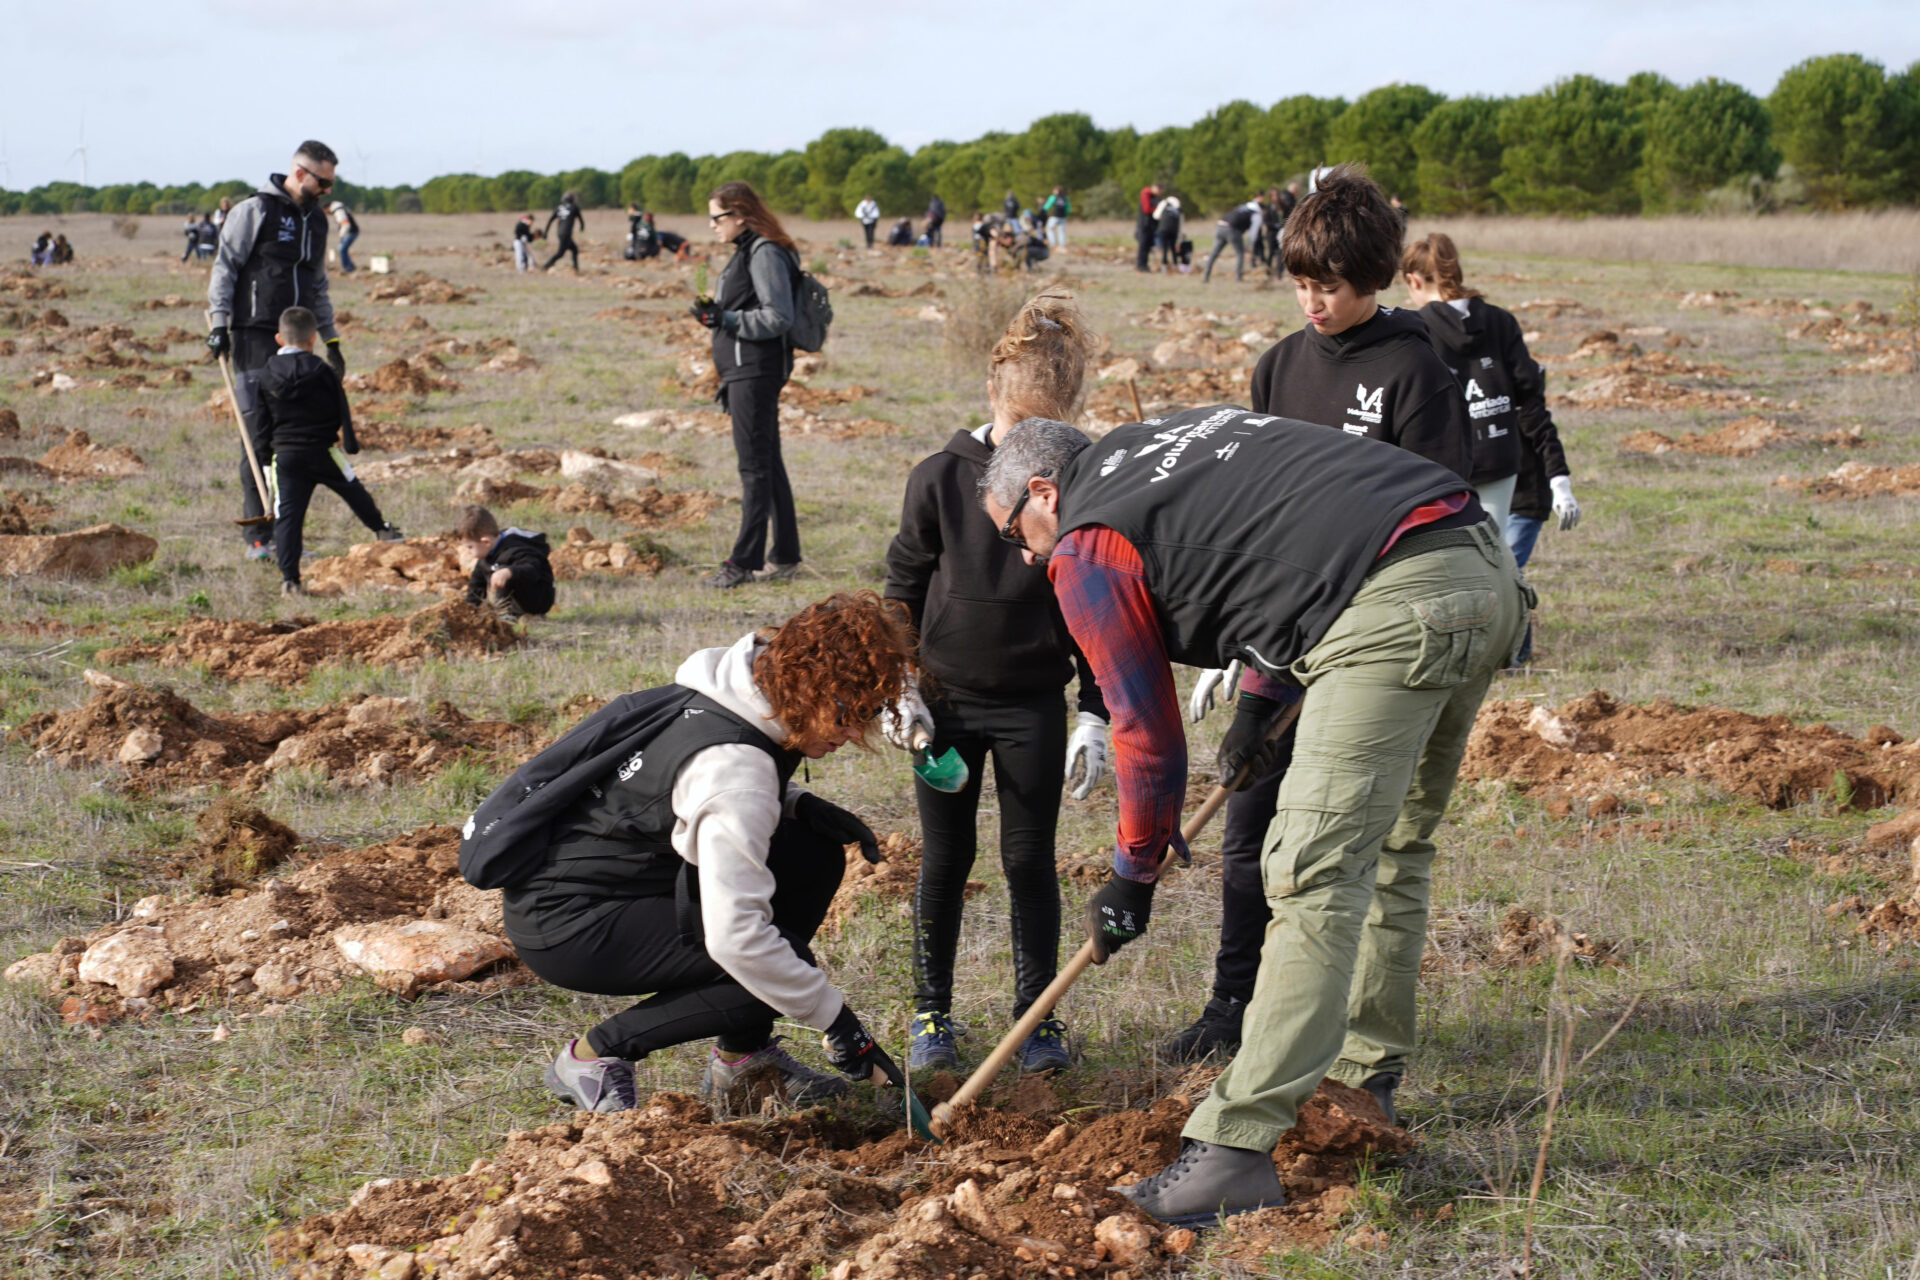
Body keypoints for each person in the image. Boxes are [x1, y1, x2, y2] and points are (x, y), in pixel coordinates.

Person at [981, 407, 1527, 1226]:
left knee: (1311, 873)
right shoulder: (1160, 440)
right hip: (1477, 563)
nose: (1025, 557)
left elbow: (1144, 730)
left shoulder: (1087, 546)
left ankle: (1234, 1149)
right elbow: (1291, 542)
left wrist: (1134, 873)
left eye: (1015, 534)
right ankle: (1364, 1079)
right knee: (1394, 848)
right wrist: (1259, 704)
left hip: (1393, 606)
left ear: (1045, 492)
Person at [1168, 168, 1477, 1064]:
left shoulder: (1413, 367)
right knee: (1244, 824)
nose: (1312, 302)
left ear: (1372, 278)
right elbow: (1263, 511)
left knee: (1344, 845)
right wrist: (1246, 655)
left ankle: (1344, 1032)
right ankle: (1231, 1004)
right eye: (1299, 284)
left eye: (1328, 287)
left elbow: (1436, 510)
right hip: (1283, 634)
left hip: (1375, 636)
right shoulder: (1280, 365)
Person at [502, 592, 917, 1114]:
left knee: (812, 854)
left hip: (596, 885)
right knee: (774, 969)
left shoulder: (734, 687)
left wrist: (798, 804)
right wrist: (837, 1021)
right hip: (571, 925)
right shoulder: (736, 775)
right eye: (846, 712)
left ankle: (744, 1064)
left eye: (870, 713)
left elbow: (683, 785)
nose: (855, 731)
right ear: (806, 684)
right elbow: (738, 939)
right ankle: (595, 1056)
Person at [885, 289, 1109, 1077]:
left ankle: (1035, 1021)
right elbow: (903, 584)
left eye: (1048, 433)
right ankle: (930, 1013)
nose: (1031, 453)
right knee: (944, 861)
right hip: (942, 703)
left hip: (1031, 706)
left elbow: (1095, 602)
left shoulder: (1082, 480)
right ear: (991, 396)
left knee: (1028, 861)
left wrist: (1096, 713)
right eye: (1018, 428)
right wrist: (899, 683)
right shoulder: (938, 479)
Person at [207, 140, 346, 560]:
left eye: (331, 184)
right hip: (253, 336)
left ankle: (286, 536)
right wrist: (218, 325)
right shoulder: (254, 211)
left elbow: (318, 286)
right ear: (300, 173)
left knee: (293, 442)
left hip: (300, 343)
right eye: (322, 182)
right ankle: (257, 537)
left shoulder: (318, 223)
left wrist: (332, 341)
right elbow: (225, 267)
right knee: (258, 436)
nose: (327, 191)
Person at [1402, 232, 1579, 540]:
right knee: (1496, 557)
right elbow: (1530, 400)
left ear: (1413, 280)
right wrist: (1558, 477)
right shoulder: (1502, 321)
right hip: (1502, 458)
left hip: (1444, 468)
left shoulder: (1413, 330)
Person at [239, 305, 402, 595]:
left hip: (286, 457)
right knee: (354, 489)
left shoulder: (266, 375)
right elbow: (342, 409)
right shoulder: (323, 371)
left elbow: (261, 423)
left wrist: (264, 461)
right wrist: (349, 443)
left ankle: (290, 579)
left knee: (288, 516)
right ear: (313, 339)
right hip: (322, 451)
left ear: (279, 339)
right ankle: (382, 529)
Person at [695, 180, 802, 590]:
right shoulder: (747, 252)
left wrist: (728, 320)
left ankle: (742, 562)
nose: (712, 225)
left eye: (717, 217)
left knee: (753, 468)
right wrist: (714, 315)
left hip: (755, 370)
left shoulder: (765, 252)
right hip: (745, 369)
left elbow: (778, 317)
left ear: (740, 214)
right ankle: (786, 554)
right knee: (767, 463)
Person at [458, 504, 556, 619]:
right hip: (518, 599)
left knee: (500, 571)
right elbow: (476, 587)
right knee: (492, 571)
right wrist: (470, 610)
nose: (467, 552)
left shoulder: (515, 549)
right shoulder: (486, 556)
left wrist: (509, 572)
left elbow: (533, 569)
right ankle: (509, 613)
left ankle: (507, 616)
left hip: (539, 597)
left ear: (486, 542)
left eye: (470, 547)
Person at [1203, 198, 1262, 284]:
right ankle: (1238, 277)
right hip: (1232, 230)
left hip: (1220, 227)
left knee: (1214, 253)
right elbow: (1253, 232)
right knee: (1240, 253)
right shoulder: (1256, 214)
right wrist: (1249, 244)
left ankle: (1206, 276)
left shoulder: (1241, 207)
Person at [542, 191, 585, 273]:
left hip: (560, 233)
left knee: (574, 249)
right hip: (567, 234)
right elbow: (581, 220)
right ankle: (545, 267)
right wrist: (582, 228)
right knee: (560, 253)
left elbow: (550, 220)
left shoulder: (559, 207)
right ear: (572, 199)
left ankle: (576, 268)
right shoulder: (574, 207)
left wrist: (545, 233)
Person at [1134, 182, 1161, 273]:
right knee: (1143, 246)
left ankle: (1144, 266)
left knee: (1147, 246)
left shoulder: (1154, 197)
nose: (1160, 193)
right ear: (1156, 188)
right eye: (1160, 191)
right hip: (1144, 225)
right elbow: (1147, 209)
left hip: (1150, 226)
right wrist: (1158, 208)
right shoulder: (1146, 194)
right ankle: (1140, 266)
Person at [1152, 195, 1183, 273]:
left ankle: (1164, 268)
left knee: (1164, 249)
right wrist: (1179, 239)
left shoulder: (1164, 203)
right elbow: (1181, 223)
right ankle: (1176, 266)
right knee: (1173, 249)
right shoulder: (1178, 208)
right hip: (1174, 231)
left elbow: (1156, 216)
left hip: (1163, 229)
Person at [329, 201, 359, 274]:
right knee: (343, 250)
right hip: (353, 231)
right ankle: (350, 266)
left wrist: (341, 235)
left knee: (342, 249)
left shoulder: (338, 211)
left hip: (350, 232)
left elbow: (345, 224)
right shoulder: (343, 208)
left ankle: (347, 268)